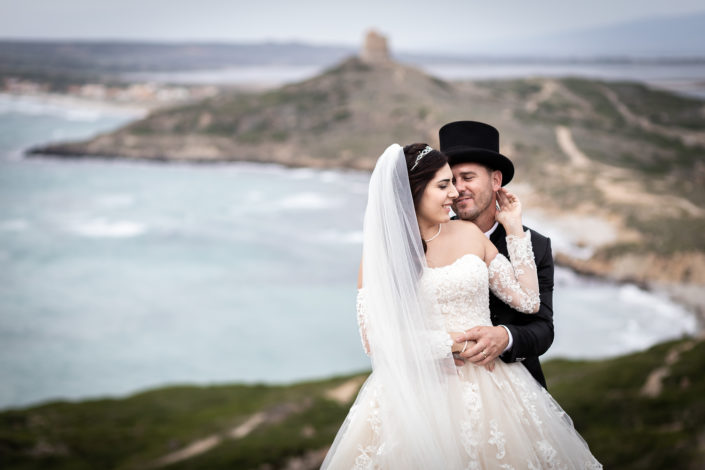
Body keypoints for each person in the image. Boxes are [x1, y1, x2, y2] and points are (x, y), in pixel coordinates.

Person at [321, 142, 601, 469]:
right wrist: (451, 343)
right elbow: (375, 340)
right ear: (414, 191)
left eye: (455, 182)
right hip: (420, 399)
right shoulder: (381, 257)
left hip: (497, 392)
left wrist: (513, 229)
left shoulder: (469, 233)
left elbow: (528, 302)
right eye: (444, 185)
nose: (454, 193)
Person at [440, 120, 554, 387]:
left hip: (515, 388)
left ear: (495, 180)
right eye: (451, 181)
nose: (458, 189)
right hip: (446, 386)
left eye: (468, 178)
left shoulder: (535, 245)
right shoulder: (433, 238)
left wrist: (506, 337)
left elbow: (544, 329)